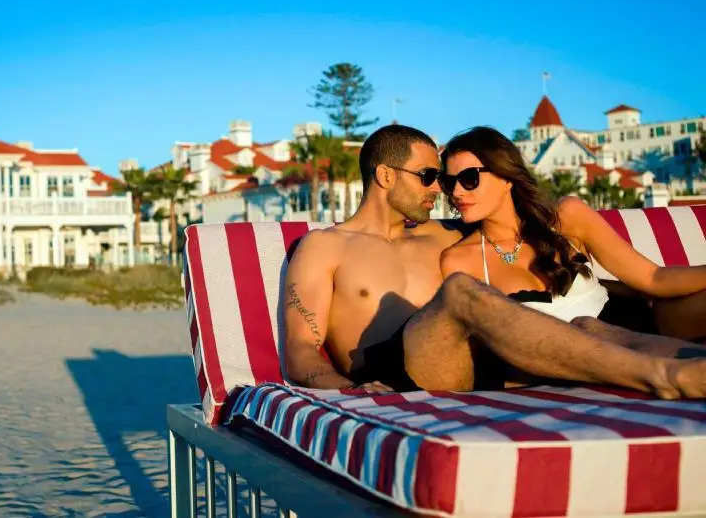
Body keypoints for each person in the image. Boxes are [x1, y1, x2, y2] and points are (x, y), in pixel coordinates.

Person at [283, 124, 706, 399]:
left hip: (477, 361)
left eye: (448, 181)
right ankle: (662, 378)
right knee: (461, 290)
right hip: (394, 369)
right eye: (432, 177)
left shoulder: (447, 234)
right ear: (386, 176)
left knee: (587, 324)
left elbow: (515, 237)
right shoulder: (326, 246)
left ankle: (689, 369)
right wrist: (351, 391)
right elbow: (300, 349)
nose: (443, 191)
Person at [438, 125, 706, 354]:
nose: (457, 192)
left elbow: (654, 278)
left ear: (507, 178)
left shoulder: (567, 217)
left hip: (647, 327)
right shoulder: (460, 260)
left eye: (469, 179)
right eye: (449, 183)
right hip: (584, 363)